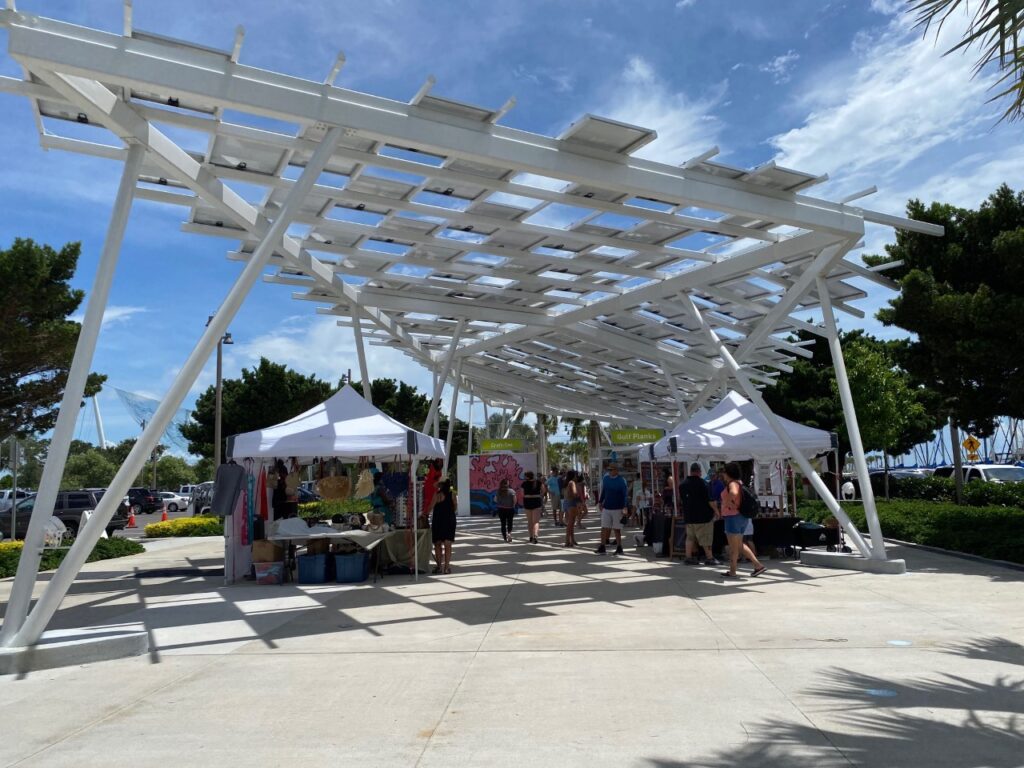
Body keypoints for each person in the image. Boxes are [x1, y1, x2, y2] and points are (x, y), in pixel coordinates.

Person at [719, 462, 767, 579]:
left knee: (733, 547)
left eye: (724, 472)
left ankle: (733, 571)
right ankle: (757, 565)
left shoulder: (732, 484)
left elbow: (733, 493)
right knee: (739, 545)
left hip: (732, 517)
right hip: (741, 517)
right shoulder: (739, 482)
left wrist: (727, 503)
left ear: (728, 473)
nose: (723, 475)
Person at [679, 462, 717, 565]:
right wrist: (717, 512)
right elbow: (711, 501)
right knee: (706, 538)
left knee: (690, 537)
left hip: (689, 516)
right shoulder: (704, 484)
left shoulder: (682, 485)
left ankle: (688, 557)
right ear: (699, 472)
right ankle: (709, 558)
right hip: (703, 517)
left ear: (690, 471)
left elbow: (682, 499)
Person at [596, 463, 628, 555]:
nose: (610, 471)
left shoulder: (622, 481)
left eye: (612, 470)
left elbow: (624, 495)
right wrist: (600, 501)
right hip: (607, 507)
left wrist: (625, 506)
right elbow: (604, 491)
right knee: (603, 527)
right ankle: (602, 546)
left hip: (618, 508)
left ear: (616, 470)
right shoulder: (606, 479)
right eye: (609, 470)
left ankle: (619, 547)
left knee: (617, 529)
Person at [430, 479, 457, 574]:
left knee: (437, 544)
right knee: (448, 544)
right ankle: (446, 567)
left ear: (440, 485)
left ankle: (439, 567)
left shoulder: (437, 495)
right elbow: (455, 507)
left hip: (438, 520)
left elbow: (430, 508)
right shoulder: (452, 494)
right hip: (449, 520)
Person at [521, 471, 545, 544]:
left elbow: (522, 494)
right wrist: (539, 495)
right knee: (536, 521)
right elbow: (543, 491)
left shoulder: (524, 484)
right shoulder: (539, 482)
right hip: (536, 501)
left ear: (527, 477)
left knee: (530, 521)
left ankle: (531, 536)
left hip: (527, 502)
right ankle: (536, 535)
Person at [562, 469, 581, 547]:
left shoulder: (566, 483)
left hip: (566, 502)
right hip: (571, 503)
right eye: (576, 475)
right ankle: (567, 541)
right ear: (573, 476)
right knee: (571, 523)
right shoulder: (572, 482)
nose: (577, 477)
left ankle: (572, 540)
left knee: (571, 523)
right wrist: (578, 495)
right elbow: (574, 493)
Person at [495, 479, 517, 543]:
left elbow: (495, 500)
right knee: (510, 522)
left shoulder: (498, 491)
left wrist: (500, 502)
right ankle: (509, 534)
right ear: (508, 484)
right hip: (510, 509)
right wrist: (513, 506)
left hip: (501, 509)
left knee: (503, 524)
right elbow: (515, 500)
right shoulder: (512, 491)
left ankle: (505, 538)